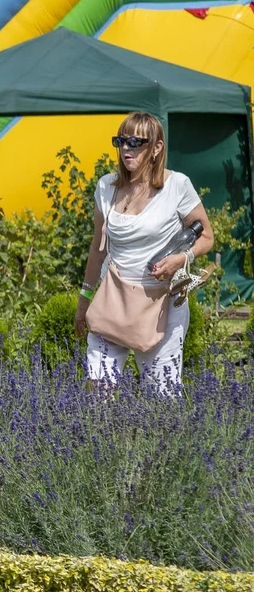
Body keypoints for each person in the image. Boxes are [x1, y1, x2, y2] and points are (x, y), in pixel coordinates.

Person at [75, 111, 213, 387]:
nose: (126, 148)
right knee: (96, 397)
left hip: (161, 302)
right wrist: (85, 298)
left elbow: (207, 236)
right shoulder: (106, 187)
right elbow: (97, 249)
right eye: (121, 141)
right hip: (113, 299)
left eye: (135, 142)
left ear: (156, 147)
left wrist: (181, 259)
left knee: (160, 400)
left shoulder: (177, 186)